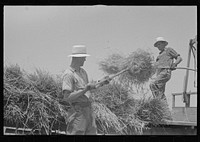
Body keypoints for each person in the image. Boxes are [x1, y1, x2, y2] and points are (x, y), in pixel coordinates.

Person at [60, 45, 109, 135]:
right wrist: (84, 89)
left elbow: (89, 89)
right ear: (78, 58)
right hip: (77, 112)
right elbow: (67, 97)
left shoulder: (83, 72)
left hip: (88, 110)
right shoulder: (68, 75)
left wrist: (101, 83)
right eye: (84, 57)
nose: (85, 60)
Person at [149, 37, 182, 101]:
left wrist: (175, 64)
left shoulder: (169, 50)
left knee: (153, 84)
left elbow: (179, 58)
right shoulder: (159, 55)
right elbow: (156, 67)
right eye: (157, 45)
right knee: (160, 91)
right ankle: (163, 105)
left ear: (164, 44)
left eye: (159, 44)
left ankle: (158, 101)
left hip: (165, 72)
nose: (158, 46)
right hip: (159, 73)